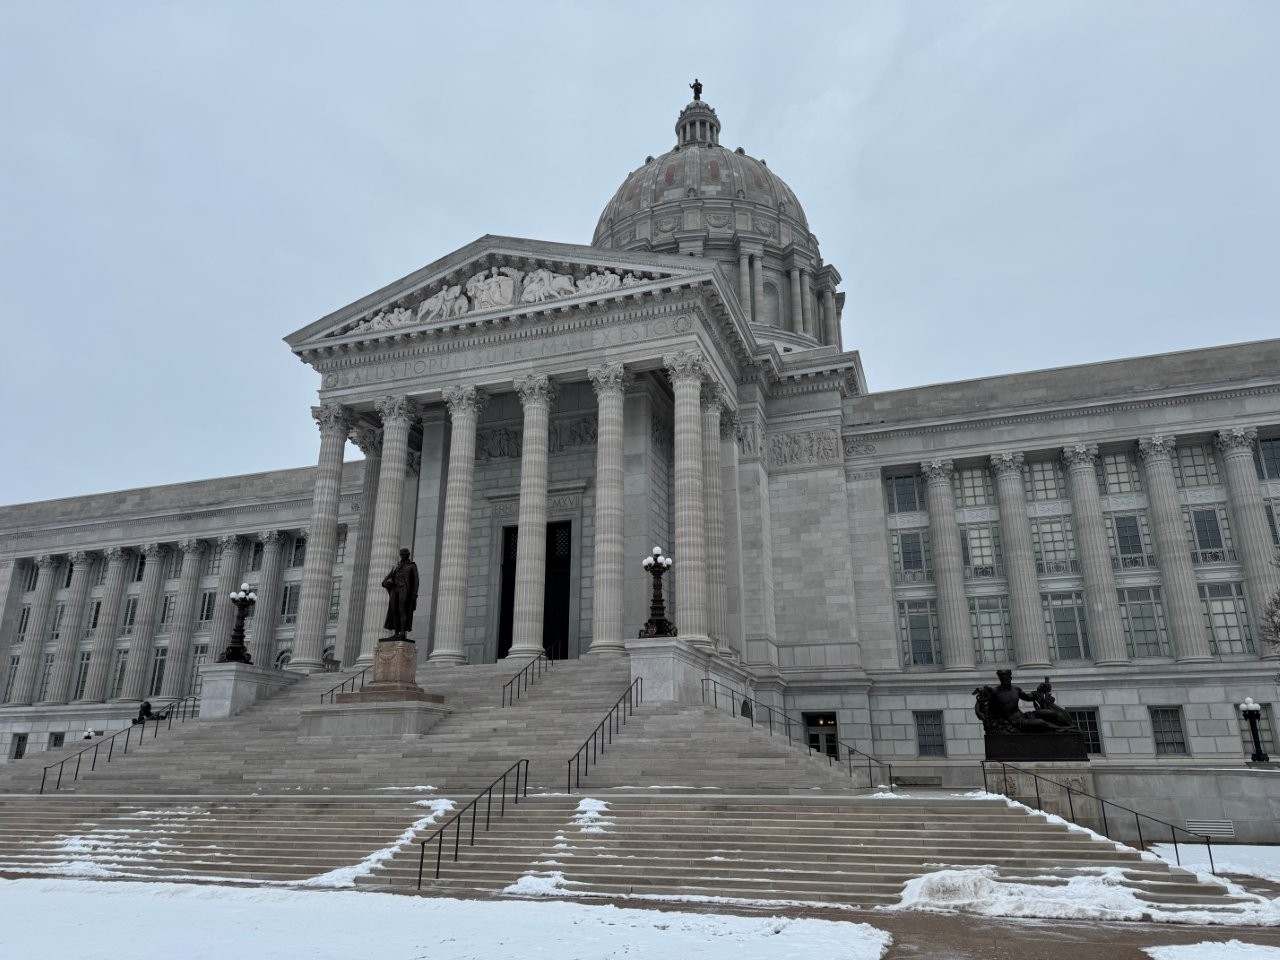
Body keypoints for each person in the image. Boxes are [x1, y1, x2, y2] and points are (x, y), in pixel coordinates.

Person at [381, 547, 420, 640]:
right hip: (395, 589)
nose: (401, 556)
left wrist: (415, 593)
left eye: (403, 554)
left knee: (402, 609)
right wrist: (385, 582)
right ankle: (396, 632)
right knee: (394, 611)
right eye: (401, 554)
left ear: (407, 555)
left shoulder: (412, 566)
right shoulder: (396, 566)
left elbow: (416, 580)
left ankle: (402, 632)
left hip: (404, 589)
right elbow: (388, 576)